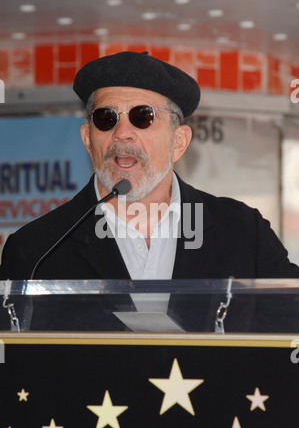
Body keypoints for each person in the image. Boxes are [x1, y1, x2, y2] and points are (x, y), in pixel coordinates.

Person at [0, 50, 298, 282]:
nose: (121, 133)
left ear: (179, 142)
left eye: (142, 117)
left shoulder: (244, 234)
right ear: (88, 140)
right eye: (106, 118)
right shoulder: (36, 250)